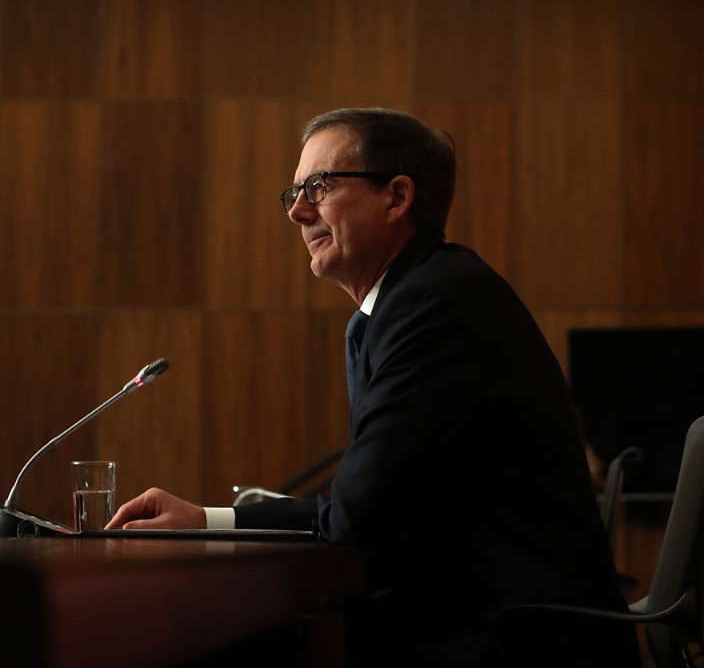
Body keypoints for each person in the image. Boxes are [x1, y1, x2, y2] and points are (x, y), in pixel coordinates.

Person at [106, 108, 640, 668]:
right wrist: (206, 520)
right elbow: (366, 508)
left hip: (509, 639)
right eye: (293, 192)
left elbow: (359, 519)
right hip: (478, 617)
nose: (297, 210)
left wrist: (215, 523)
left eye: (319, 185)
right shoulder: (414, 298)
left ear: (397, 197)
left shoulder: (433, 304)